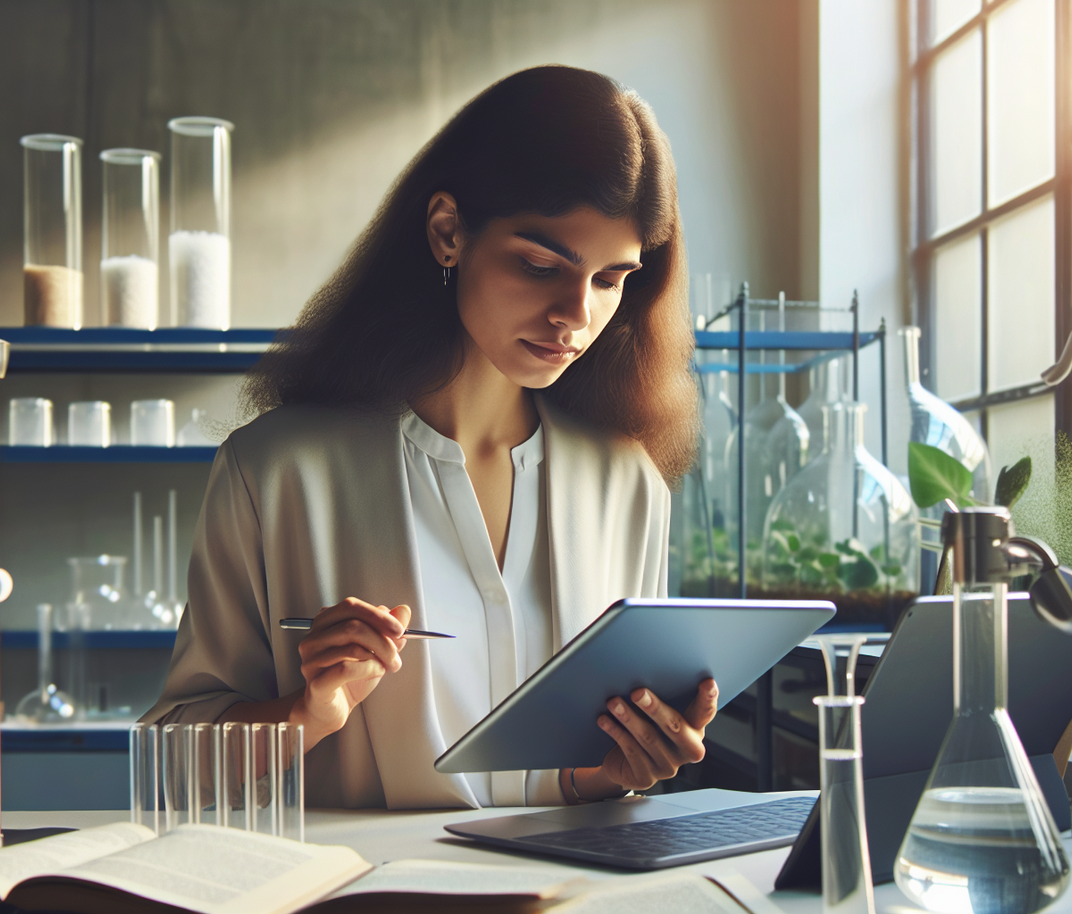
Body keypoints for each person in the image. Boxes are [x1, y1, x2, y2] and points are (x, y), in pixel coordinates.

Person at [145, 66, 711, 809]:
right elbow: (173, 762)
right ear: (448, 232)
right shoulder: (277, 472)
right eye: (542, 265)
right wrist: (306, 713)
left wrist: (619, 767)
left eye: (611, 279)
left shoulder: (627, 481)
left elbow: (569, 781)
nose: (576, 314)